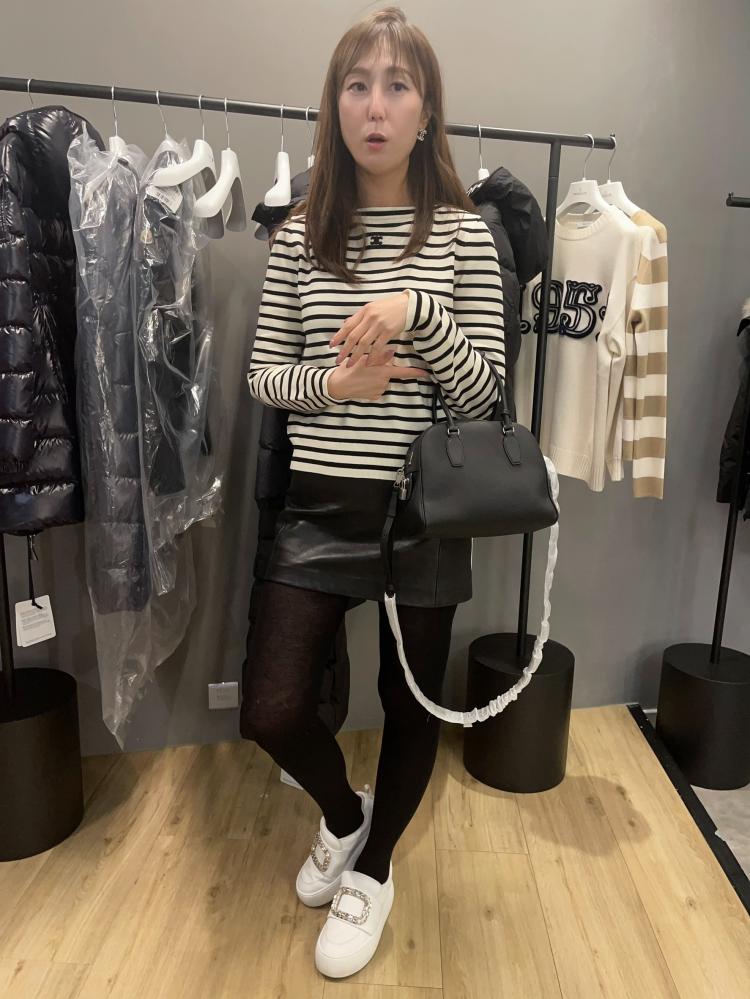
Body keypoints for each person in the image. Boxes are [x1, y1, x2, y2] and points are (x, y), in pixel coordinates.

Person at [241, 5, 506, 980]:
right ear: (335, 105)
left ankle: (377, 867)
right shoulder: (300, 235)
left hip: (422, 511)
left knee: (411, 703)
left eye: (398, 86)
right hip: (319, 506)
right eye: (358, 85)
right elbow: (263, 376)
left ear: (427, 111)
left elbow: (487, 398)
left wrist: (417, 310)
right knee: (270, 708)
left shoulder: (466, 237)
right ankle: (345, 813)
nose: (377, 106)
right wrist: (336, 386)